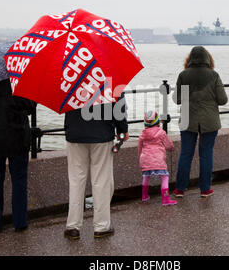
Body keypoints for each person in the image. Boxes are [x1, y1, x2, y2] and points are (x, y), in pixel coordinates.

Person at [63, 95, 129, 240]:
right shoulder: (109, 75)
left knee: (76, 181)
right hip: (102, 133)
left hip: (75, 133)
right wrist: (122, 129)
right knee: (101, 181)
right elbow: (118, 105)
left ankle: (73, 226)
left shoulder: (69, 74)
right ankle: (101, 226)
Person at [0, 78, 37, 233]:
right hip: (17, 138)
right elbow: (31, 107)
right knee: (19, 180)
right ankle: (20, 222)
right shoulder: (19, 83)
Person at [172, 46, 228, 198]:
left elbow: (176, 99)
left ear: (189, 59)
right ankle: (205, 189)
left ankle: (180, 189)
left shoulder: (183, 75)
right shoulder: (214, 75)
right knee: (206, 155)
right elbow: (223, 100)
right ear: (207, 59)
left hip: (188, 120)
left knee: (185, 155)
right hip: (209, 121)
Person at [138, 111, 177, 206]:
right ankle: (166, 199)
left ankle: (144, 196)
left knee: (146, 176)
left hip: (146, 159)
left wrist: (141, 159)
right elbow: (169, 145)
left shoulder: (142, 134)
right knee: (164, 177)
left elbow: (140, 149)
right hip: (159, 160)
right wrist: (171, 148)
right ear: (158, 122)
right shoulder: (161, 133)